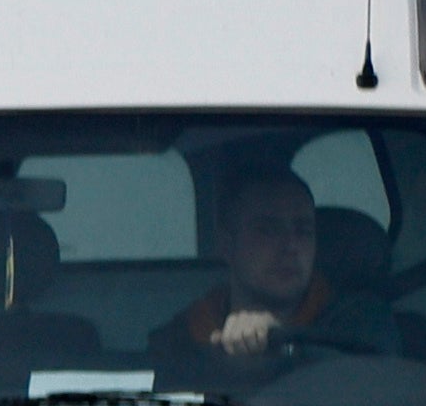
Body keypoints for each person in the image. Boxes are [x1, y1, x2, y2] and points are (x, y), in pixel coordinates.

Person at [148, 153, 348, 375]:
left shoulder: (357, 322)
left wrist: (282, 343)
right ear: (226, 245)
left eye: (304, 231)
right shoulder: (181, 338)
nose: (291, 246)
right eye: (268, 230)